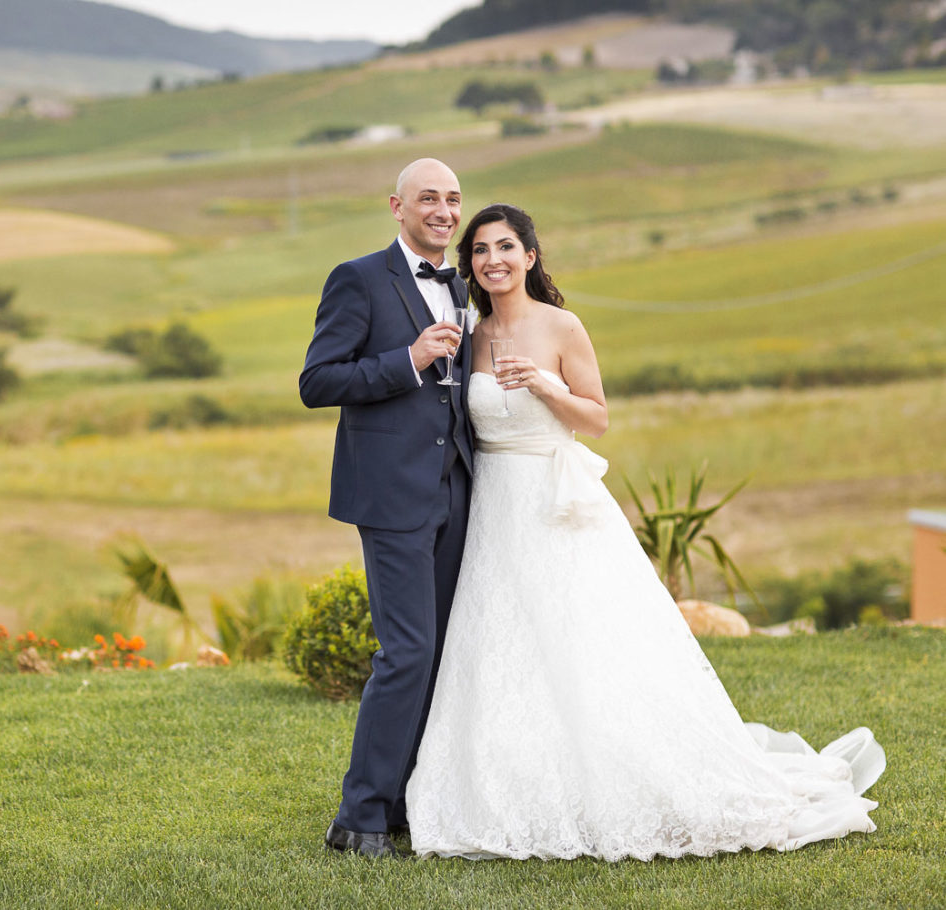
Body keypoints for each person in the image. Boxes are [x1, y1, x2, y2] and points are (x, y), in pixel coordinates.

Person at [404, 203, 885, 860]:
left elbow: (596, 418)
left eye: (505, 246)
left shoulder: (562, 325)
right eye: (480, 250)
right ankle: (506, 783)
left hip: (556, 505)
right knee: (503, 647)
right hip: (494, 512)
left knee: (586, 645)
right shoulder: (472, 332)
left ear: (530, 256)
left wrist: (545, 385)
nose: (492, 260)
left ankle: (618, 771)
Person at [299, 158, 475, 858]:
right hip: (391, 492)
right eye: (428, 197)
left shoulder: (460, 282)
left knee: (437, 655)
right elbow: (317, 380)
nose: (443, 209)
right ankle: (359, 817)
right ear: (396, 206)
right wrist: (406, 359)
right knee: (406, 653)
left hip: (457, 488)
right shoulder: (358, 278)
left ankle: (407, 799)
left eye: (453, 198)